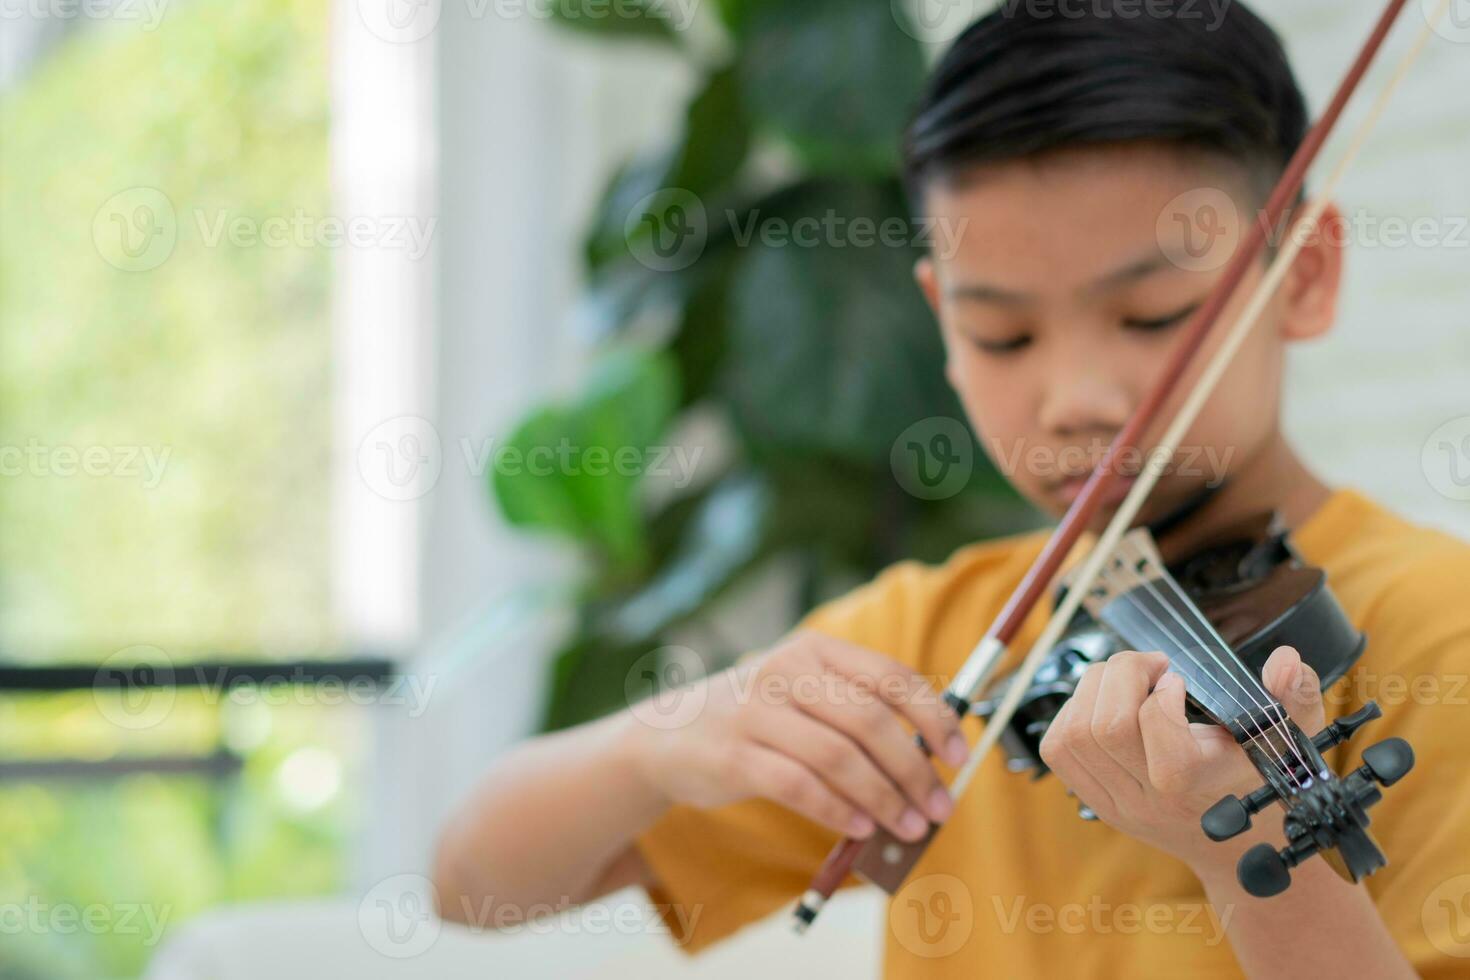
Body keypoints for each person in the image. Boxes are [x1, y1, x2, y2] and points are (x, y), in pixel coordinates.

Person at [431, 3, 1470, 976]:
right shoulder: (934, 642)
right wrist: (659, 742)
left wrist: (1245, 845)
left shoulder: (1441, 629)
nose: (1074, 398)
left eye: (1152, 315)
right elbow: (473, 887)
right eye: (1002, 333)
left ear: (1304, 274)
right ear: (940, 317)